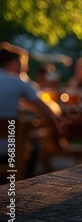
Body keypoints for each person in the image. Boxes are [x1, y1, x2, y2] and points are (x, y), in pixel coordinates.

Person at [0, 42, 62, 178]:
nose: (26, 69)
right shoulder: (17, 82)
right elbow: (51, 111)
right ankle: (22, 184)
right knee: (33, 144)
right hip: (7, 153)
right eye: (23, 64)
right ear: (13, 64)